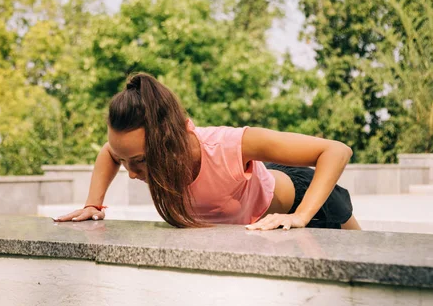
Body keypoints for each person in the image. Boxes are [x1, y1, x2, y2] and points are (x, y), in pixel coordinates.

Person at [54, 73, 360, 231]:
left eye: (141, 162)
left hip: (310, 204)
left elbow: (335, 150)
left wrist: (300, 216)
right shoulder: (130, 151)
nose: (132, 174)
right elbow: (109, 152)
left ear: (169, 140)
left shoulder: (228, 145)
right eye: (125, 163)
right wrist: (94, 204)